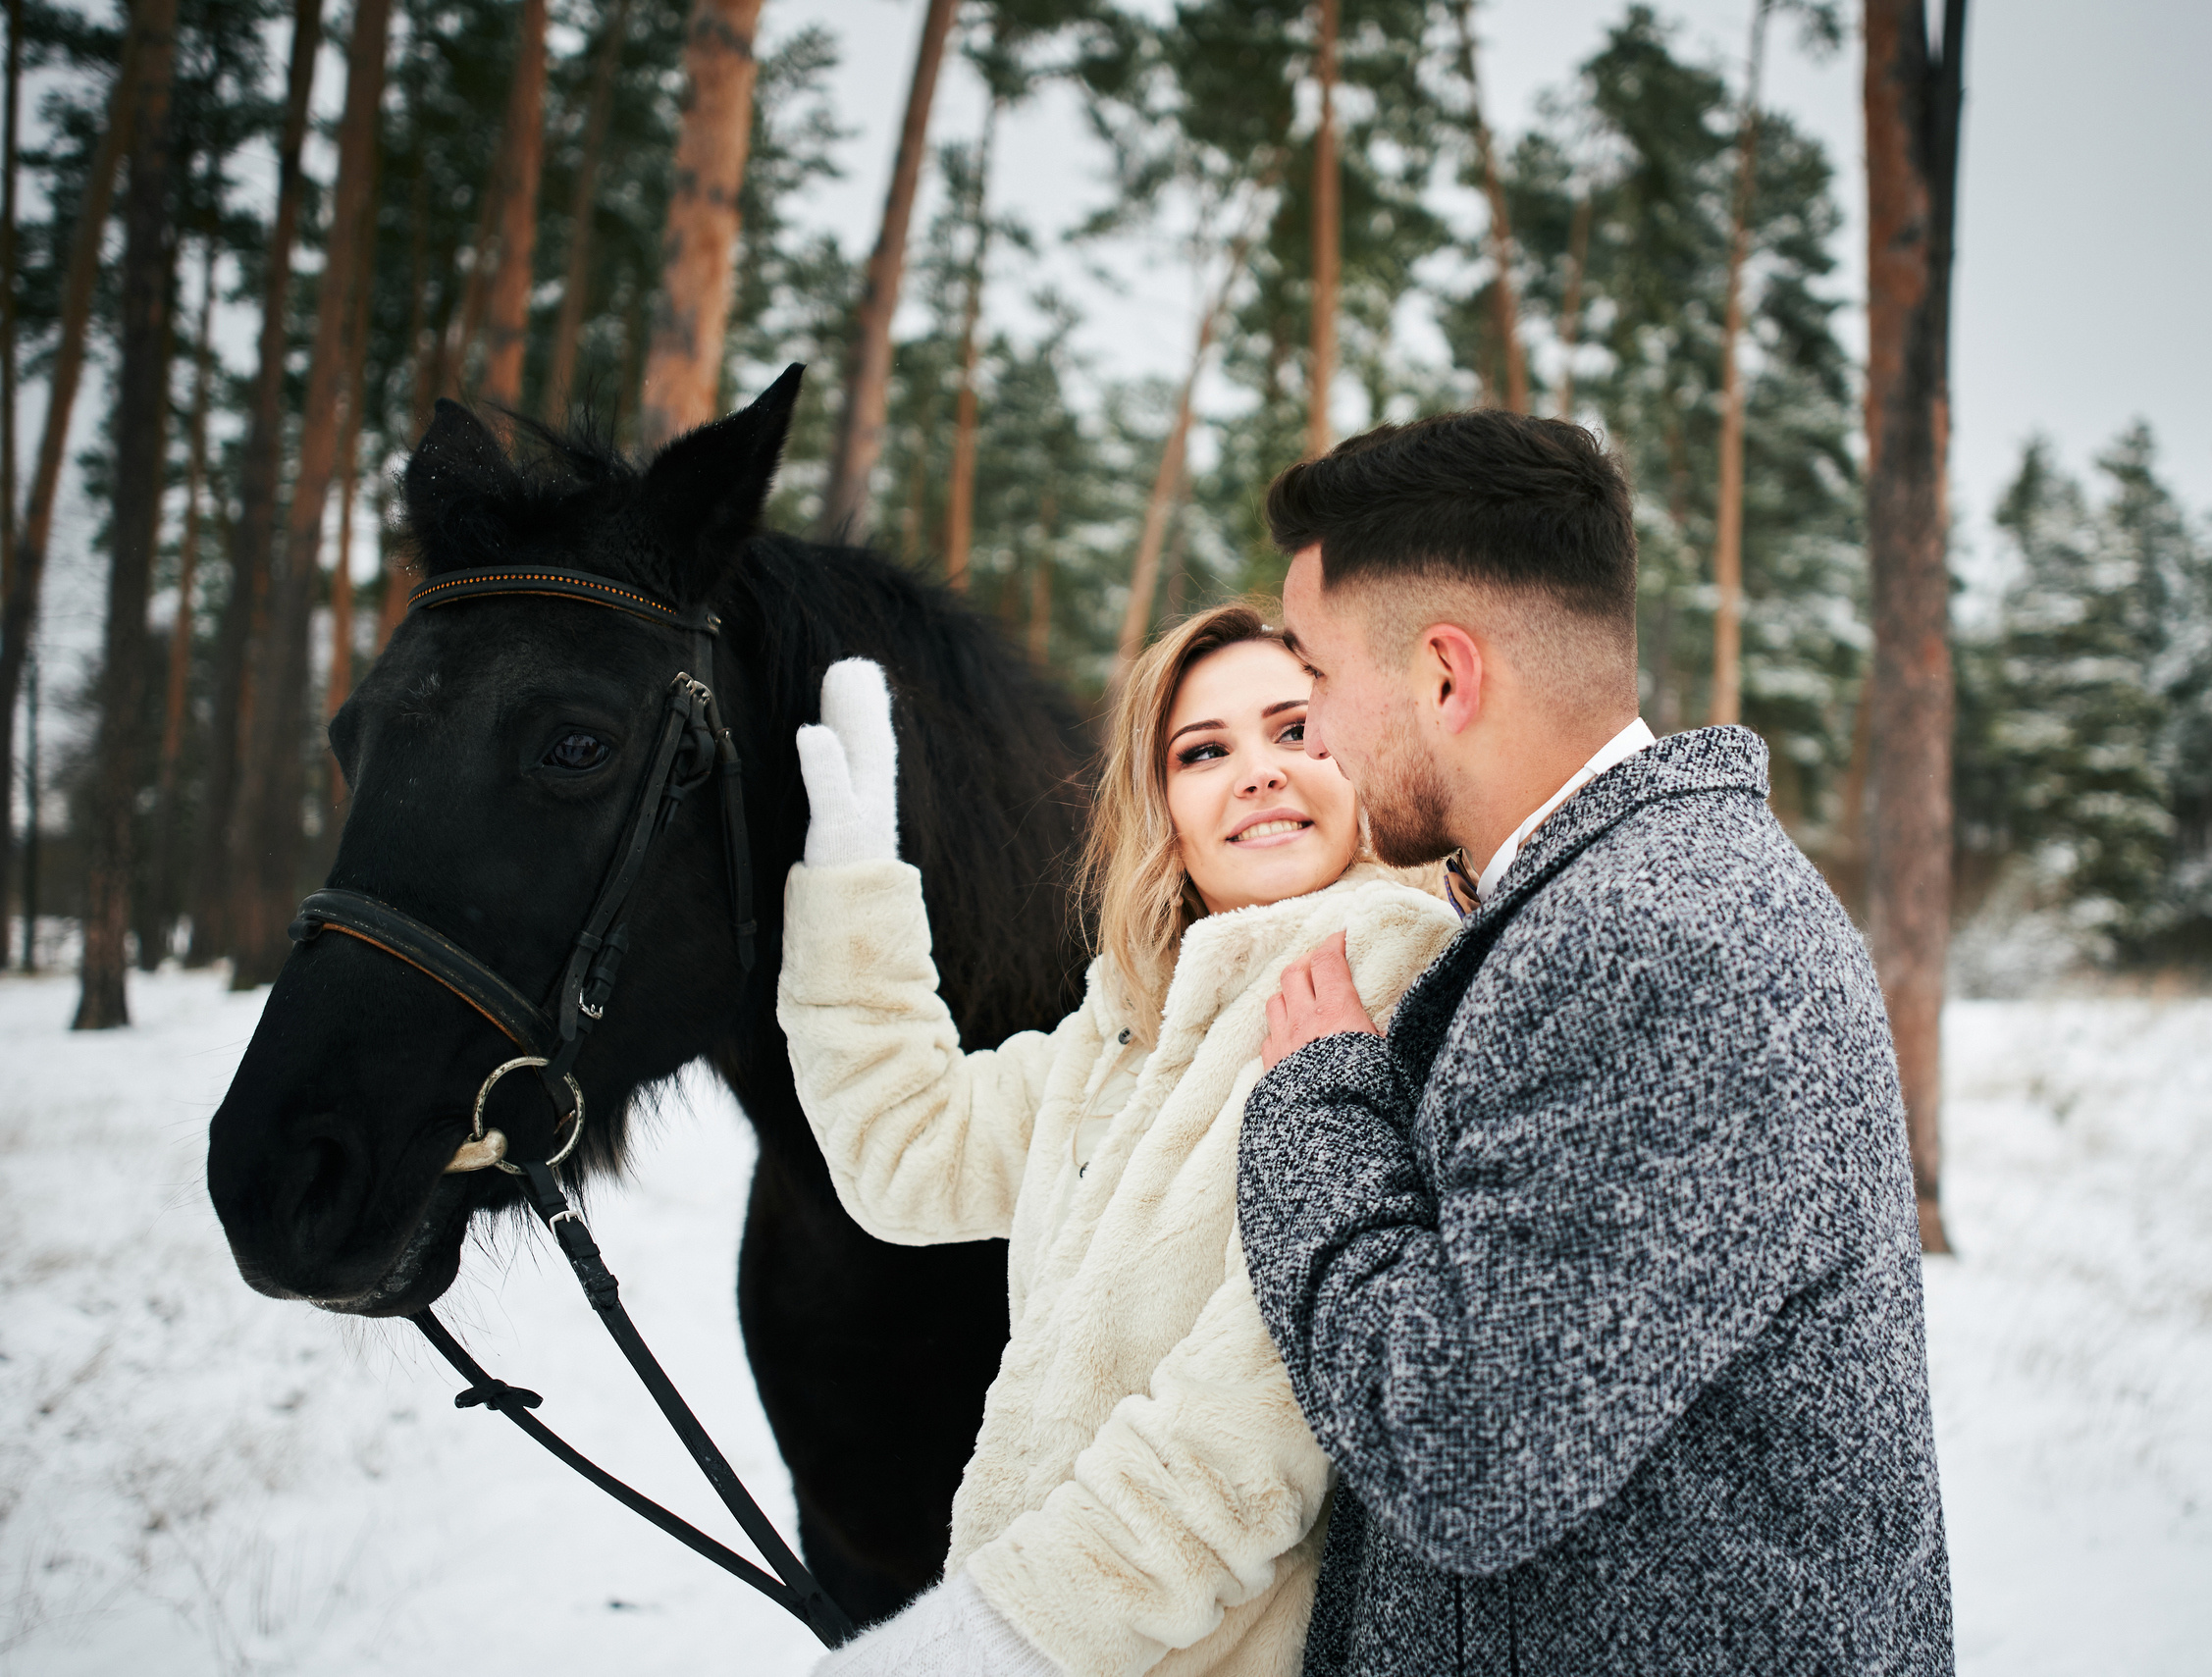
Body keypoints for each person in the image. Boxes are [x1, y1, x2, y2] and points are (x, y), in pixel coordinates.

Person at [1235, 411, 1954, 1673]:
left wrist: (1319, 1107)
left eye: (1318, 680)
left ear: (1446, 674)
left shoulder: (1649, 944)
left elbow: (1464, 1448)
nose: (1318, 738)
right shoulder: (1615, 902)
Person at [779, 603, 1457, 1676]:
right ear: (1164, 809)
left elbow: (1252, 1434)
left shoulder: (1387, 987)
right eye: (1204, 750)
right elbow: (907, 1152)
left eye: (1296, 729)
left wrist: (988, 1641)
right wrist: (855, 878)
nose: (1258, 772)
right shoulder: (1130, 1035)